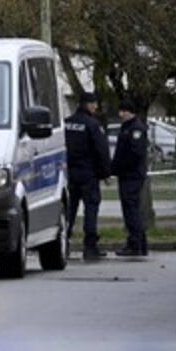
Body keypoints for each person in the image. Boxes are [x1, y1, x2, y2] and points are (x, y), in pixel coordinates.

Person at [64, 91, 112, 260]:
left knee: (69, 210)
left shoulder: (66, 124)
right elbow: (101, 150)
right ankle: (90, 247)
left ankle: (63, 244)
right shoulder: (92, 125)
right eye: (94, 104)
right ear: (87, 104)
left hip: (69, 173)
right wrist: (105, 173)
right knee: (91, 208)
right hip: (88, 174)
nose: (96, 107)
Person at [111, 98, 148, 256]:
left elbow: (135, 154)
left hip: (131, 175)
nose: (120, 114)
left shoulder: (135, 129)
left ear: (128, 112)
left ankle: (135, 244)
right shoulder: (127, 127)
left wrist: (119, 167)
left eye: (122, 111)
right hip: (127, 174)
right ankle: (139, 243)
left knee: (131, 209)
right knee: (131, 209)